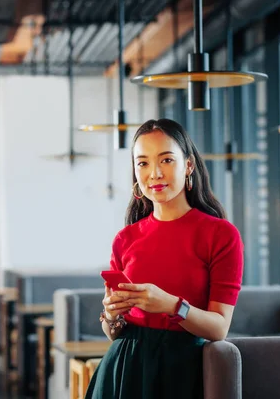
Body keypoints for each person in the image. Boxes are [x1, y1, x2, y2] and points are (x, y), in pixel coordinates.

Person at [85, 118, 244, 399]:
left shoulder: (220, 235)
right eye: (142, 163)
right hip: (124, 370)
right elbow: (115, 334)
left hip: (186, 371)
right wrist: (111, 314)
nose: (154, 173)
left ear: (189, 166)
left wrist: (171, 305)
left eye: (166, 160)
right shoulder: (125, 239)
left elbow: (219, 328)